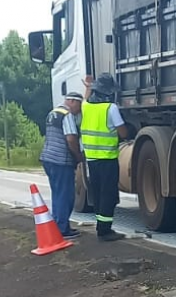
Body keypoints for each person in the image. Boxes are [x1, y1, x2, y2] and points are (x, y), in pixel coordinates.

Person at [80, 73, 129, 242]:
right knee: (108, 194)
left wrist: (87, 87)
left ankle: (101, 226)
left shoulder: (86, 107)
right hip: (107, 158)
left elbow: (85, 100)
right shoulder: (111, 108)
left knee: (99, 193)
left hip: (92, 159)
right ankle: (105, 230)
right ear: (109, 92)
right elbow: (122, 131)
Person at [39, 92, 85, 240]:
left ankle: (58, 225)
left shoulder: (53, 113)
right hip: (61, 160)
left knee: (57, 193)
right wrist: (78, 157)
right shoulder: (67, 115)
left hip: (48, 158)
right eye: (79, 105)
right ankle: (62, 228)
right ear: (71, 101)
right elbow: (71, 139)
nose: (79, 110)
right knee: (66, 196)